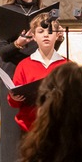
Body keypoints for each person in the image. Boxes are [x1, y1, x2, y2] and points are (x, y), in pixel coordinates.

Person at [0, 0, 45, 162]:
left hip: (37, 76)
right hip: (11, 76)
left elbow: (46, 48)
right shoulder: (5, 11)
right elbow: (3, 51)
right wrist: (18, 43)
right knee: (11, 133)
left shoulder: (44, 13)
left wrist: (56, 40)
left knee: (37, 130)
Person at [5, 15, 65, 148]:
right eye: (41, 31)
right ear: (33, 36)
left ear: (57, 35)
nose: (46, 35)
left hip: (59, 128)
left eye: (50, 31)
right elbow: (13, 101)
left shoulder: (66, 65)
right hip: (30, 127)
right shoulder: (24, 65)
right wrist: (15, 97)